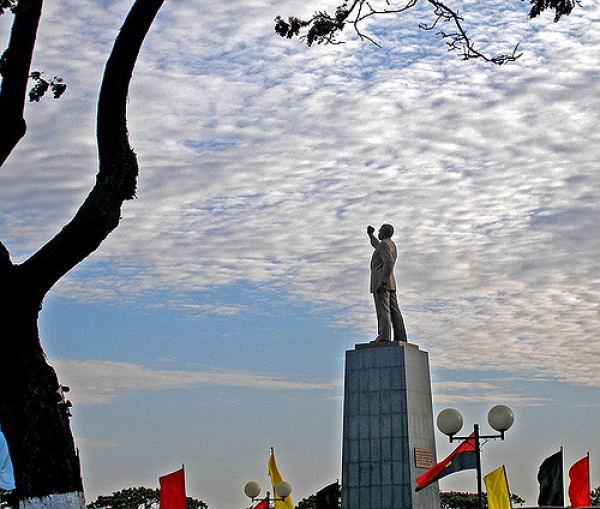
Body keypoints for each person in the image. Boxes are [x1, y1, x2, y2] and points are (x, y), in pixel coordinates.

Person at [368, 224, 408, 342]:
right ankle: (401, 337)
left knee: (383, 310)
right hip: (390, 283)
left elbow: (388, 262)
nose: (378, 233)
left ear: (383, 233)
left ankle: (384, 336)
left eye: (379, 232)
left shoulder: (384, 245)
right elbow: (377, 245)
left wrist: (382, 282)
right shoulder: (390, 244)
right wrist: (371, 235)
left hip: (382, 283)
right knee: (395, 312)